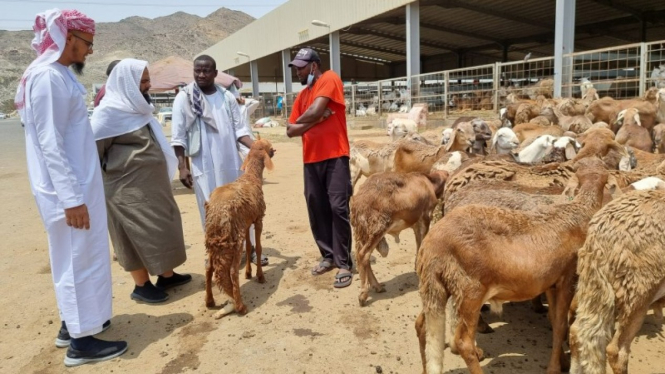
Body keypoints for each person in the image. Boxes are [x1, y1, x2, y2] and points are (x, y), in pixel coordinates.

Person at [15, 8, 127, 366]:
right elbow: (50, 143)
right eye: (88, 44)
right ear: (68, 38)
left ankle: (72, 326)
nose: (90, 52)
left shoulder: (57, 76)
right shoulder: (47, 78)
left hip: (76, 189)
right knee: (78, 260)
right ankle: (81, 343)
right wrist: (72, 199)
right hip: (69, 193)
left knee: (78, 258)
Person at [91, 58, 191, 303]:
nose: (148, 85)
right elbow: (93, 155)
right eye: (143, 81)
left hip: (154, 188)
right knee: (134, 235)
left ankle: (166, 275)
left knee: (162, 229)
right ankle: (141, 285)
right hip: (126, 193)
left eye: (148, 80)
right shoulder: (107, 114)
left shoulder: (138, 108)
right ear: (127, 83)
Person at [170, 55, 270, 266]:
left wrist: (259, 149)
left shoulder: (226, 97)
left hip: (230, 162)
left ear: (215, 74)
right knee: (210, 210)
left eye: (206, 71)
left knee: (241, 206)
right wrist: (182, 167)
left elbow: (240, 130)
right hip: (202, 164)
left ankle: (249, 249)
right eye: (198, 70)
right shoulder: (185, 97)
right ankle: (215, 253)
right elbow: (178, 137)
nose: (201, 75)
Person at [286, 48, 353, 289]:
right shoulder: (304, 94)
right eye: (295, 68)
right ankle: (328, 256)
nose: (297, 72)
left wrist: (310, 117)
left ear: (313, 66)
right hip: (311, 159)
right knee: (317, 207)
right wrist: (319, 118)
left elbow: (307, 116)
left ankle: (344, 262)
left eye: (301, 67)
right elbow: (289, 130)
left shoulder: (329, 78)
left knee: (338, 207)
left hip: (335, 156)